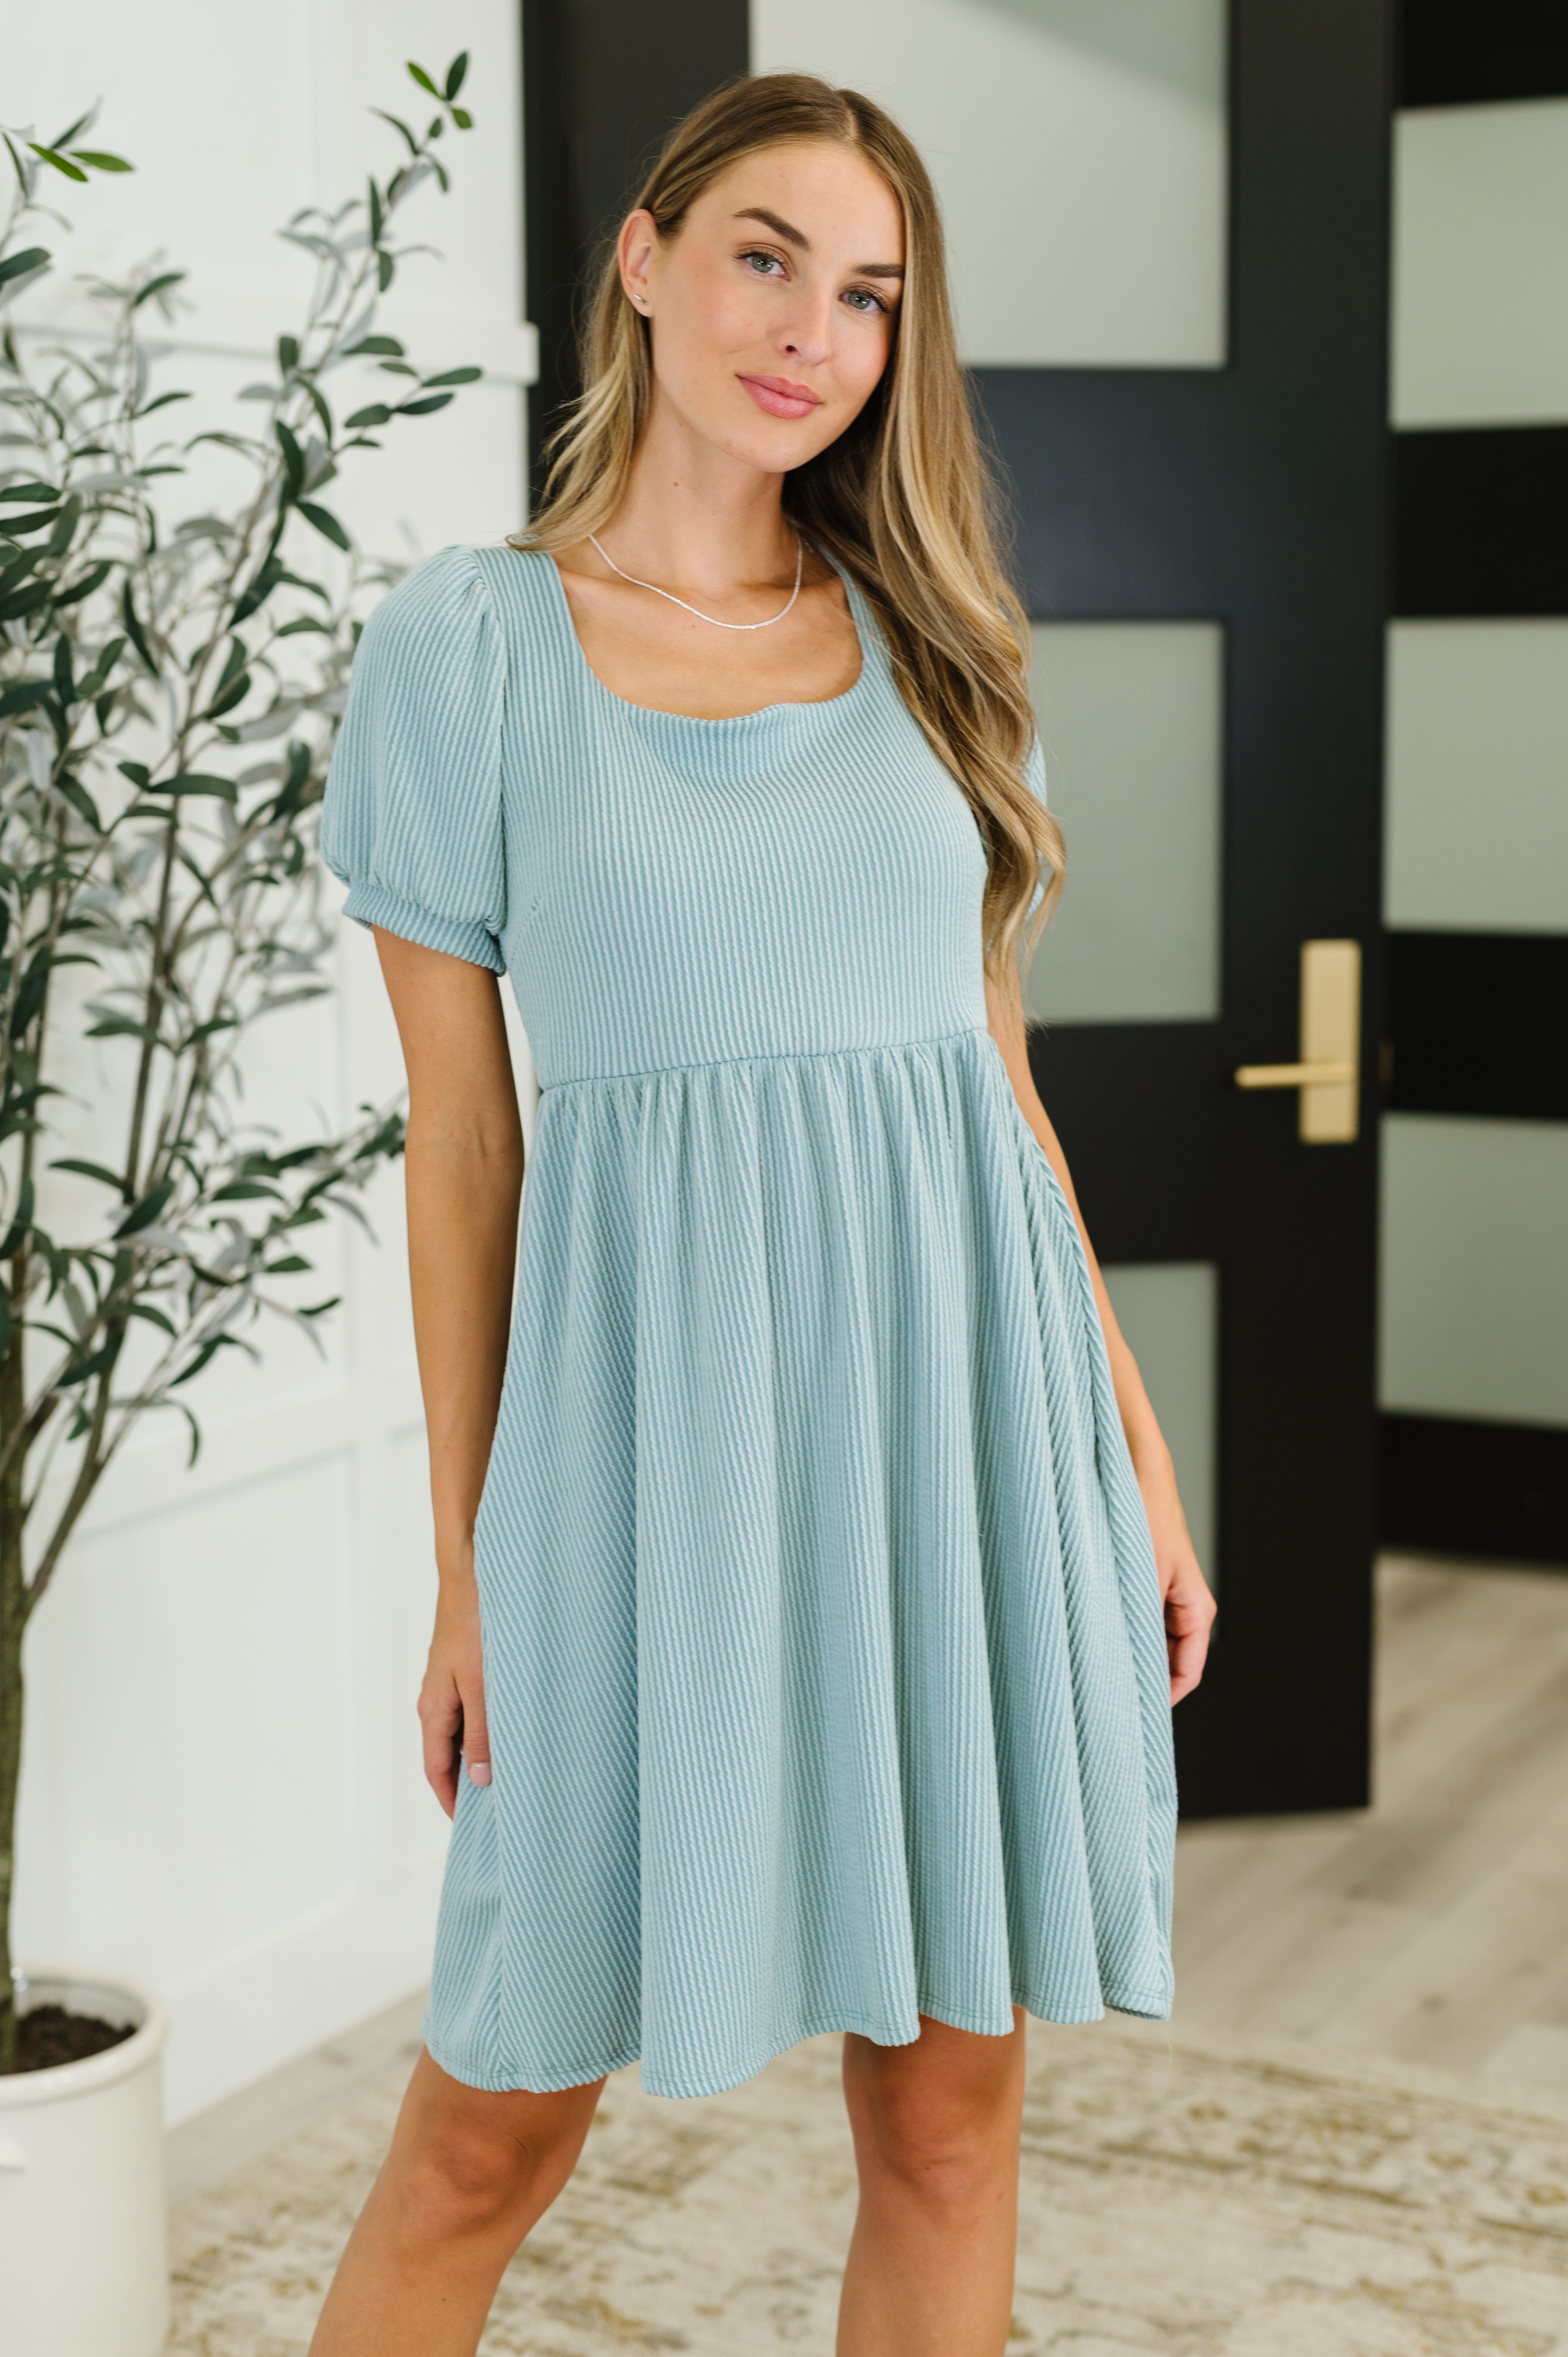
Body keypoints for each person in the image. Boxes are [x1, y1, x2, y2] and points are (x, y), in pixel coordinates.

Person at [309, 69, 1215, 2357]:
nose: (817, 331)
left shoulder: (939, 644)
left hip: (963, 1429)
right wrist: (470, 1562)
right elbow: (467, 1145)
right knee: (490, 2130)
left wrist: (1131, 1443)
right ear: (644, 260)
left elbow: (996, 1087)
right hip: (647, 1456)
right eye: (767, 258)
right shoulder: (469, 650)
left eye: (872, 295)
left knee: (952, 2121)